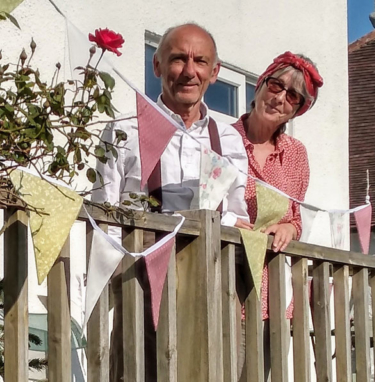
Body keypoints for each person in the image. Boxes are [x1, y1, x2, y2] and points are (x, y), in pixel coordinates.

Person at [92, 23, 250, 381]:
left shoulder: (229, 140)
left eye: (200, 60)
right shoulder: (123, 129)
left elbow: (237, 219)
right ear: (157, 66)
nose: (189, 70)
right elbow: (103, 216)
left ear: (215, 71)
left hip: (211, 281)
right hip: (140, 281)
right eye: (178, 58)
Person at [232, 51, 323, 381]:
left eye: (292, 95)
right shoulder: (222, 138)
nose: (279, 97)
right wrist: (228, 220)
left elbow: (296, 217)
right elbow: (203, 200)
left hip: (273, 294)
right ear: (261, 85)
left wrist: (289, 226)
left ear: (297, 108)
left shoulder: (296, 154)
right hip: (224, 284)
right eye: (276, 84)